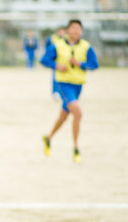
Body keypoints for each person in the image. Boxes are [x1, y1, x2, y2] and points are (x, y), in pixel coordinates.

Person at [41, 19, 98, 164]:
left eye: (78, 29)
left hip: (78, 85)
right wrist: (57, 66)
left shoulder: (86, 47)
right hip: (63, 84)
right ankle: (76, 148)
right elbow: (44, 60)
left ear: (81, 31)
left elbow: (94, 65)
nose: (75, 31)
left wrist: (80, 64)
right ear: (67, 31)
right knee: (77, 112)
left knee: (64, 116)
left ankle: (48, 138)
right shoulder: (58, 45)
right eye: (72, 28)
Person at [46, 26, 66, 99]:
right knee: (55, 76)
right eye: (60, 31)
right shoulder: (52, 38)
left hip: (65, 61)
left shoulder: (67, 38)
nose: (61, 33)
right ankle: (55, 92)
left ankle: (63, 92)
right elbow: (47, 47)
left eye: (63, 31)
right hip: (56, 60)